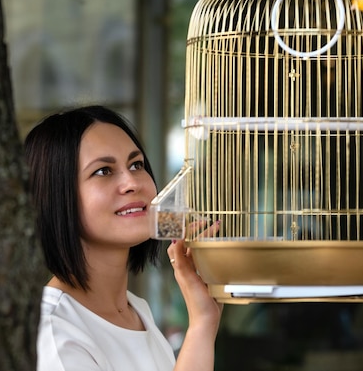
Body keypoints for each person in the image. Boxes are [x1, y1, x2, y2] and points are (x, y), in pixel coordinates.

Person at [24, 105, 223, 371]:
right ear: (56, 195)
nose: (133, 182)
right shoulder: (54, 332)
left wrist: (204, 321)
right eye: (103, 171)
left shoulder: (137, 310)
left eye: (136, 164)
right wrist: (200, 327)